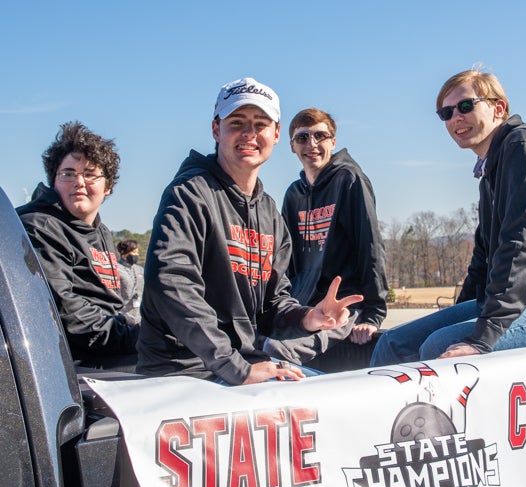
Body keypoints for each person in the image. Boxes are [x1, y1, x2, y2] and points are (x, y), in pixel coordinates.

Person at [370, 69, 526, 365]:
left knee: (439, 347)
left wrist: (485, 335)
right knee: (393, 343)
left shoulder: (522, 148)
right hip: (525, 304)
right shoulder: (490, 172)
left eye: (466, 105)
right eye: (445, 112)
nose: (455, 117)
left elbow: (519, 245)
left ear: (499, 108)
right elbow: (483, 258)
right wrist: (458, 312)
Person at [136, 77, 363, 385]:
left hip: (241, 363)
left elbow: (272, 306)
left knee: (335, 394)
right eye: (237, 122)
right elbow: (172, 283)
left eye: (260, 124)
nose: (249, 134)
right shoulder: (188, 194)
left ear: (276, 134)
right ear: (216, 130)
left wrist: (308, 318)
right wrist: (237, 369)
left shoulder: (269, 211)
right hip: (186, 372)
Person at [263, 108, 388, 368]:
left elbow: (371, 247)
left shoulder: (349, 180)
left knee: (276, 351)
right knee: (253, 344)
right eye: (302, 138)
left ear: (333, 141)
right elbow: (289, 261)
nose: (312, 144)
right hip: (305, 306)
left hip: (343, 304)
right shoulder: (293, 194)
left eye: (320, 136)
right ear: (291, 146)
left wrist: (373, 315)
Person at [17, 121, 138, 370]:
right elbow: (64, 311)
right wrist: (138, 337)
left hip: (110, 351)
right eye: (68, 174)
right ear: (54, 180)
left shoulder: (100, 230)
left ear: (108, 186)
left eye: (90, 174)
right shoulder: (39, 226)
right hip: (71, 366)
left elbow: (110, 302)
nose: (79, 182)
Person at [116, 239, 144, 324]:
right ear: (124, 253)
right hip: (122, 315)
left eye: (137, 252)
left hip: (138, 316)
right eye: (134, 252)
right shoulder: (116, 268)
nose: (137, 255)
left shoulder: (140, 269)